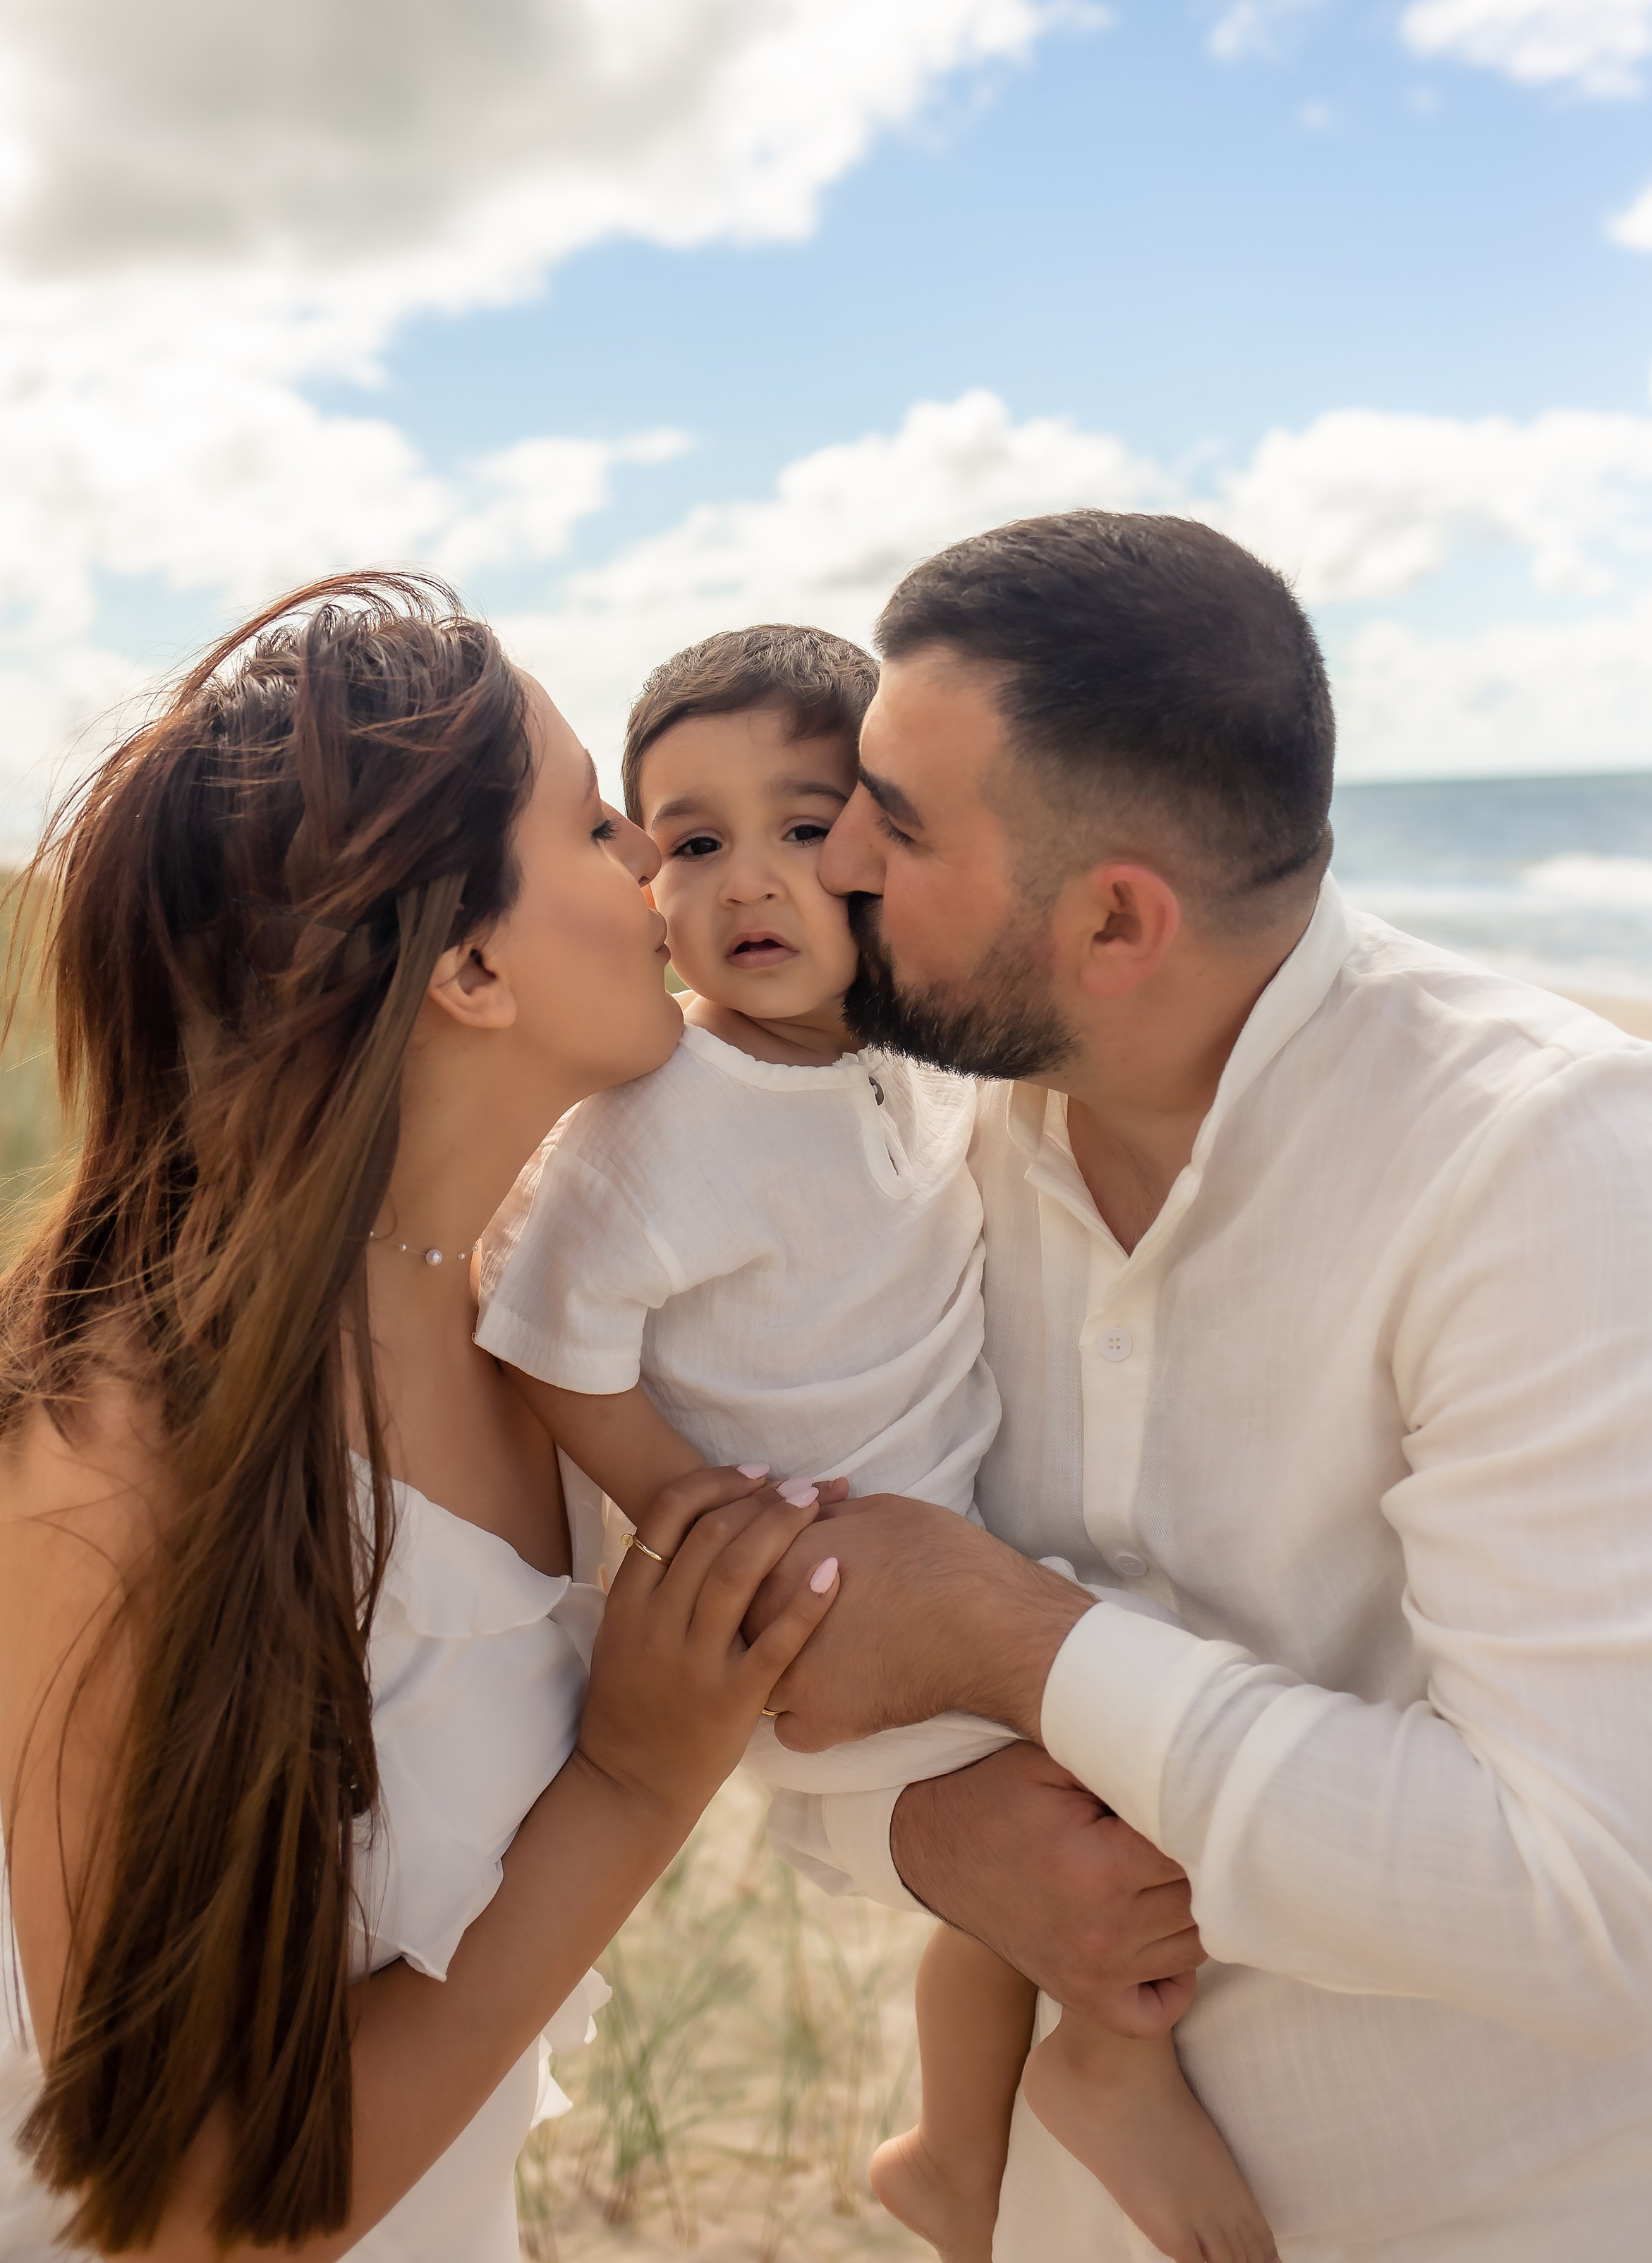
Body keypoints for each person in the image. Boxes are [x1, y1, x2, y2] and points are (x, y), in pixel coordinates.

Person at [0, 574, 839, 2262]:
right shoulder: (113, 1446)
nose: (662, 879)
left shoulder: (545, 1316)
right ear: (465, 964)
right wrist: (627, 1785)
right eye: (602, 826)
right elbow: (183, 2216)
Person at [753, 510, 1652, 2262]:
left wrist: (1016, 1642)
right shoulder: (901, 1138)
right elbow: (770, 1664)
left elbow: (1588, 1901)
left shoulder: (1546, 1166)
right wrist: (925, 1838)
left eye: (900, 821)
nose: (838, 852)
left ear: (1111, 921)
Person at [477, 622, 1273, 2263]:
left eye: (799, 828)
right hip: (815, 1582)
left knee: (1086, 1776)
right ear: (645, 883)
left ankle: (947, 2149)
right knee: (1091, 1802)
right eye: (691, 843)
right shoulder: (660, 1124)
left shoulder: (908, 1060)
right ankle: (1101, 2072)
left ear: (876, 853)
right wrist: (687, 1511)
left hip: (939, 1542)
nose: (747, 881)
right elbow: (548, 1338)